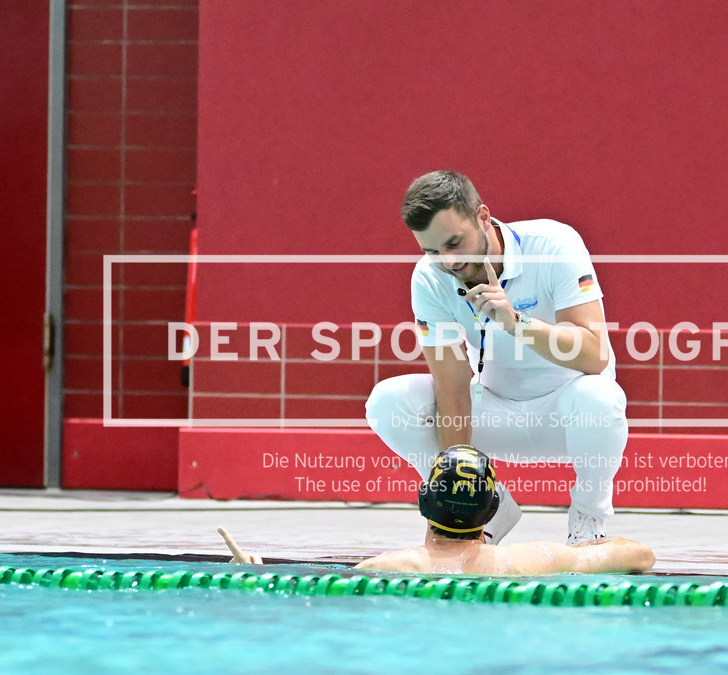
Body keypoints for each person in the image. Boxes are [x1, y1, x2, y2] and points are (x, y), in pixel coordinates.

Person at [365, 170, 628, 545]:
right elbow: (452, 387)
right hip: (494, 413)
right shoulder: (429, 278)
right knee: (389, 402)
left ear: (483, 217)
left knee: (600, 397)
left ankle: (589, 520)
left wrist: (516, 323)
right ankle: (487, 505)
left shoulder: (554, 244)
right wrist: (453, 509)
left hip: (571, 418)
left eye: (455, 243)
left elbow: (595, 357)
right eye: (432, 251)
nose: (448, 261)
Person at [220, 446, 655, 575]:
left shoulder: (386, 568)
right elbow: (640, 555)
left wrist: (256, 575)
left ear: (424, 501)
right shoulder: (535, 560)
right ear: (492, 509)